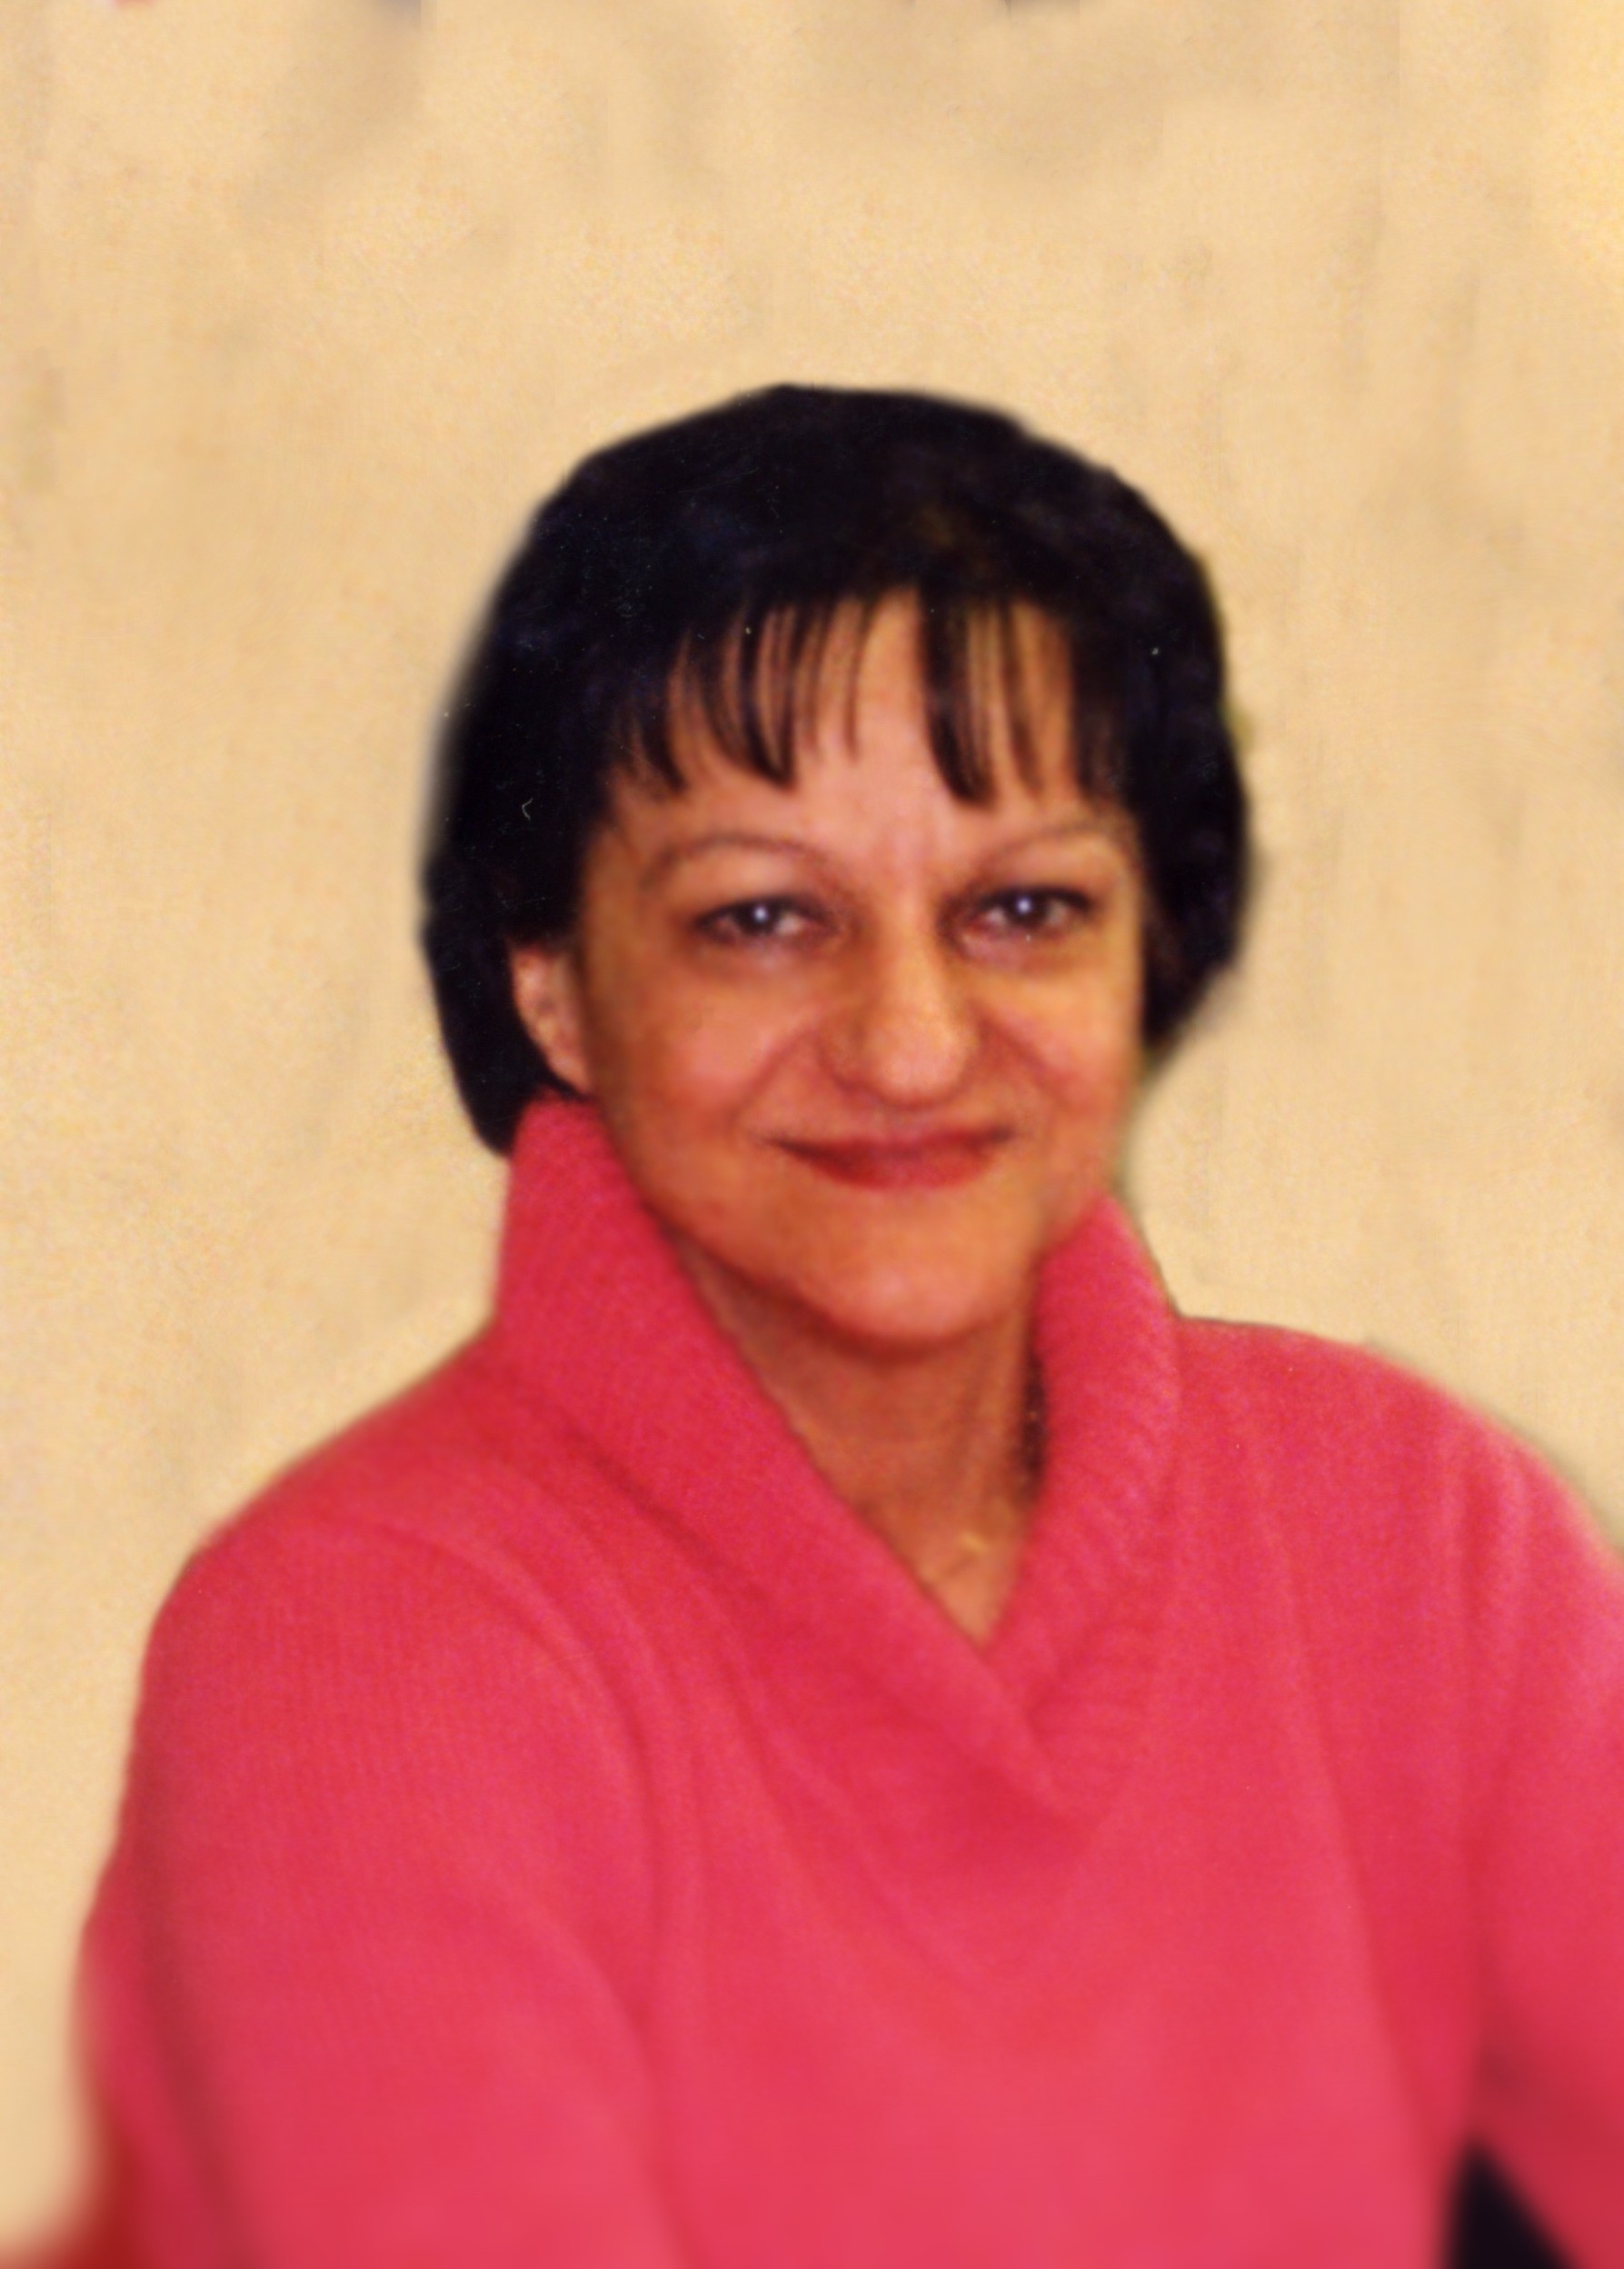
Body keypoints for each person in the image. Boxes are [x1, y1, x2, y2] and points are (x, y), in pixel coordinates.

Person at [55, 387, 1624, 2266]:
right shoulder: (354, 1643)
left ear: (1153, 950)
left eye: (1022, 907)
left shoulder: (1417, 1535)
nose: (909, 1041)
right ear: (553, 988)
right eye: (761, 920)